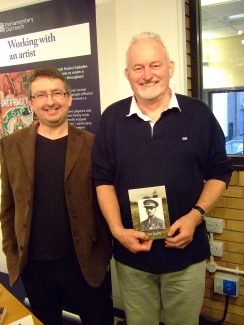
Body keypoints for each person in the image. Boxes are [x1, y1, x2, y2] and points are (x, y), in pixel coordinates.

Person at [92, 32, 233, 325]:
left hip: (186, 254)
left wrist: (196, 216)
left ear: (170, 67)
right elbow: (102, 179)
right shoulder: (112, 119)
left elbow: (219, 171)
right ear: (127, 73)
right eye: (138, 68)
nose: (147, 75)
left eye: (154, 65)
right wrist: (118, 230)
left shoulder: (198, 114)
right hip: (133, 256)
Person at [0, 66, 112, 325]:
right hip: (35, 267)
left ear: (69, 98)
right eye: (41, 95)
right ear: (31, 102)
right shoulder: (11, 145)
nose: (50, 101)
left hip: (84, 265)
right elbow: (8, 207)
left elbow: (104, 202)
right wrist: (12, 251)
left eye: (57, 93)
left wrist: (103, 251)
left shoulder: (92, 144)